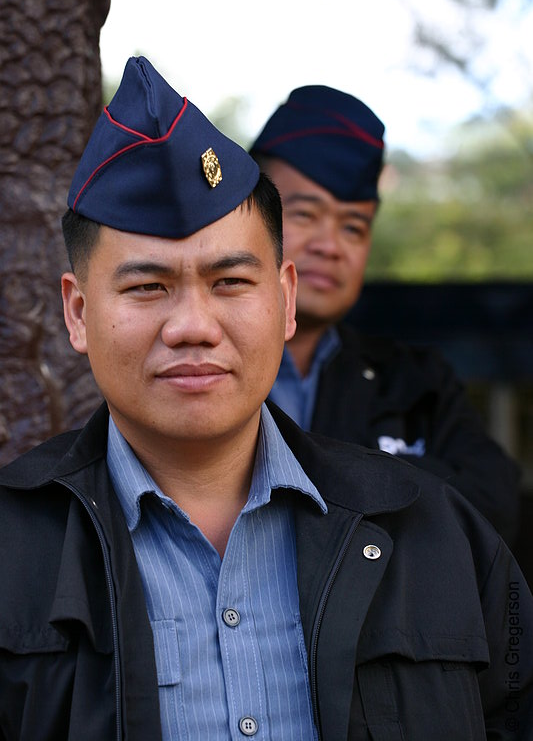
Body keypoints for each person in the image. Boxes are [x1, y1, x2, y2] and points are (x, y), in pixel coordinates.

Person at [0, 57, 532, 741]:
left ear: (283, 299)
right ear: (76, 313)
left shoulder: (435, 530)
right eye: (146, 287)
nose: (193, 325)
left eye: (229, 282)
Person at [250, 85, 521, 546]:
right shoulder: (202, 359)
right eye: (304, 214)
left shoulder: (416, 381)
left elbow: (494, 504)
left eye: (353, 227)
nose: (330, 246)